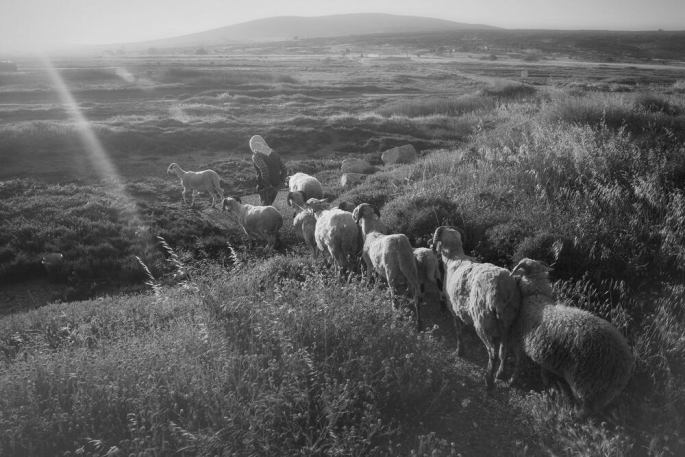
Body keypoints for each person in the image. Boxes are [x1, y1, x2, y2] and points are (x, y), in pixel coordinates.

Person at [249, 135, 287, 205]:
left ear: (252, 145)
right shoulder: (274, 154)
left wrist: (266, 185)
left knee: (266, 209)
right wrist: (282, 181)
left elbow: (264, 170)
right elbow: (284, 169)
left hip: (265, 188)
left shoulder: (256, 156)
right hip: (278, 185)